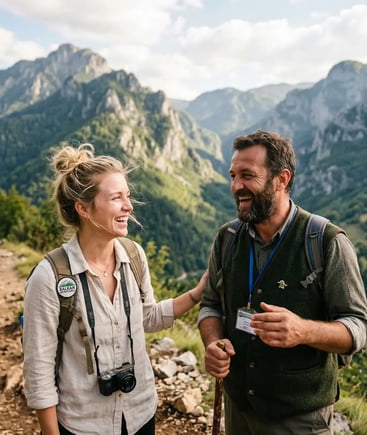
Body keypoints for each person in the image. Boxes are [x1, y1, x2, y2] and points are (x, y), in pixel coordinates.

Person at [23, 143, 207, 435]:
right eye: (116, 198)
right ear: (83, 208)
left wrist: (197, 293)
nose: (129, 206)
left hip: (141, 413)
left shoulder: (134, 256)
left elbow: (146, 318)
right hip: (84, 424)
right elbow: (39, 369)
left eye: (128, 196)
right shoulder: (49, 278)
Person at [198, 130, 367, 435]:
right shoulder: (227, 238)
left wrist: (303, 330)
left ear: (282, 179)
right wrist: (212, 343)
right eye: (233, 175)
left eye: (247, 175)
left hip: (299, 418)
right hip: (238, 407)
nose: (236, 186)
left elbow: (357, 327)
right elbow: (210, 305)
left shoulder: (326, 242)